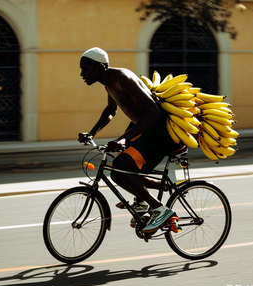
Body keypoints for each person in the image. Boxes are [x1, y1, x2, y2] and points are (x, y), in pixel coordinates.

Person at [78, 47, 183, 233]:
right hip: (143, 131)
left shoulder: (123, 79)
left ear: (100, 67)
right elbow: (111, 110)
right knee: (117, 173)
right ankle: (144, 201)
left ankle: (161, 210)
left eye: (85, 69)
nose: (82, 74)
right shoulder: (108, 84)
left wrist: (123, 139)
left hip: (158, 133)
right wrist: (92, 133)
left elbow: (153, 112)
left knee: (123, 167)